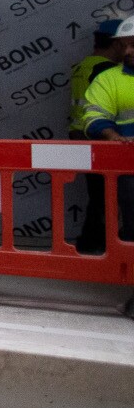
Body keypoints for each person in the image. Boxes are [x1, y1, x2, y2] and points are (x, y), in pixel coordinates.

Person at [76, 18, 134, 253]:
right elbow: (93, 115)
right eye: (124, 45)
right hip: (128, 167)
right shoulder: (108, 78)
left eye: (133, 45)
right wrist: (111, 135)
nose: (127, 52)